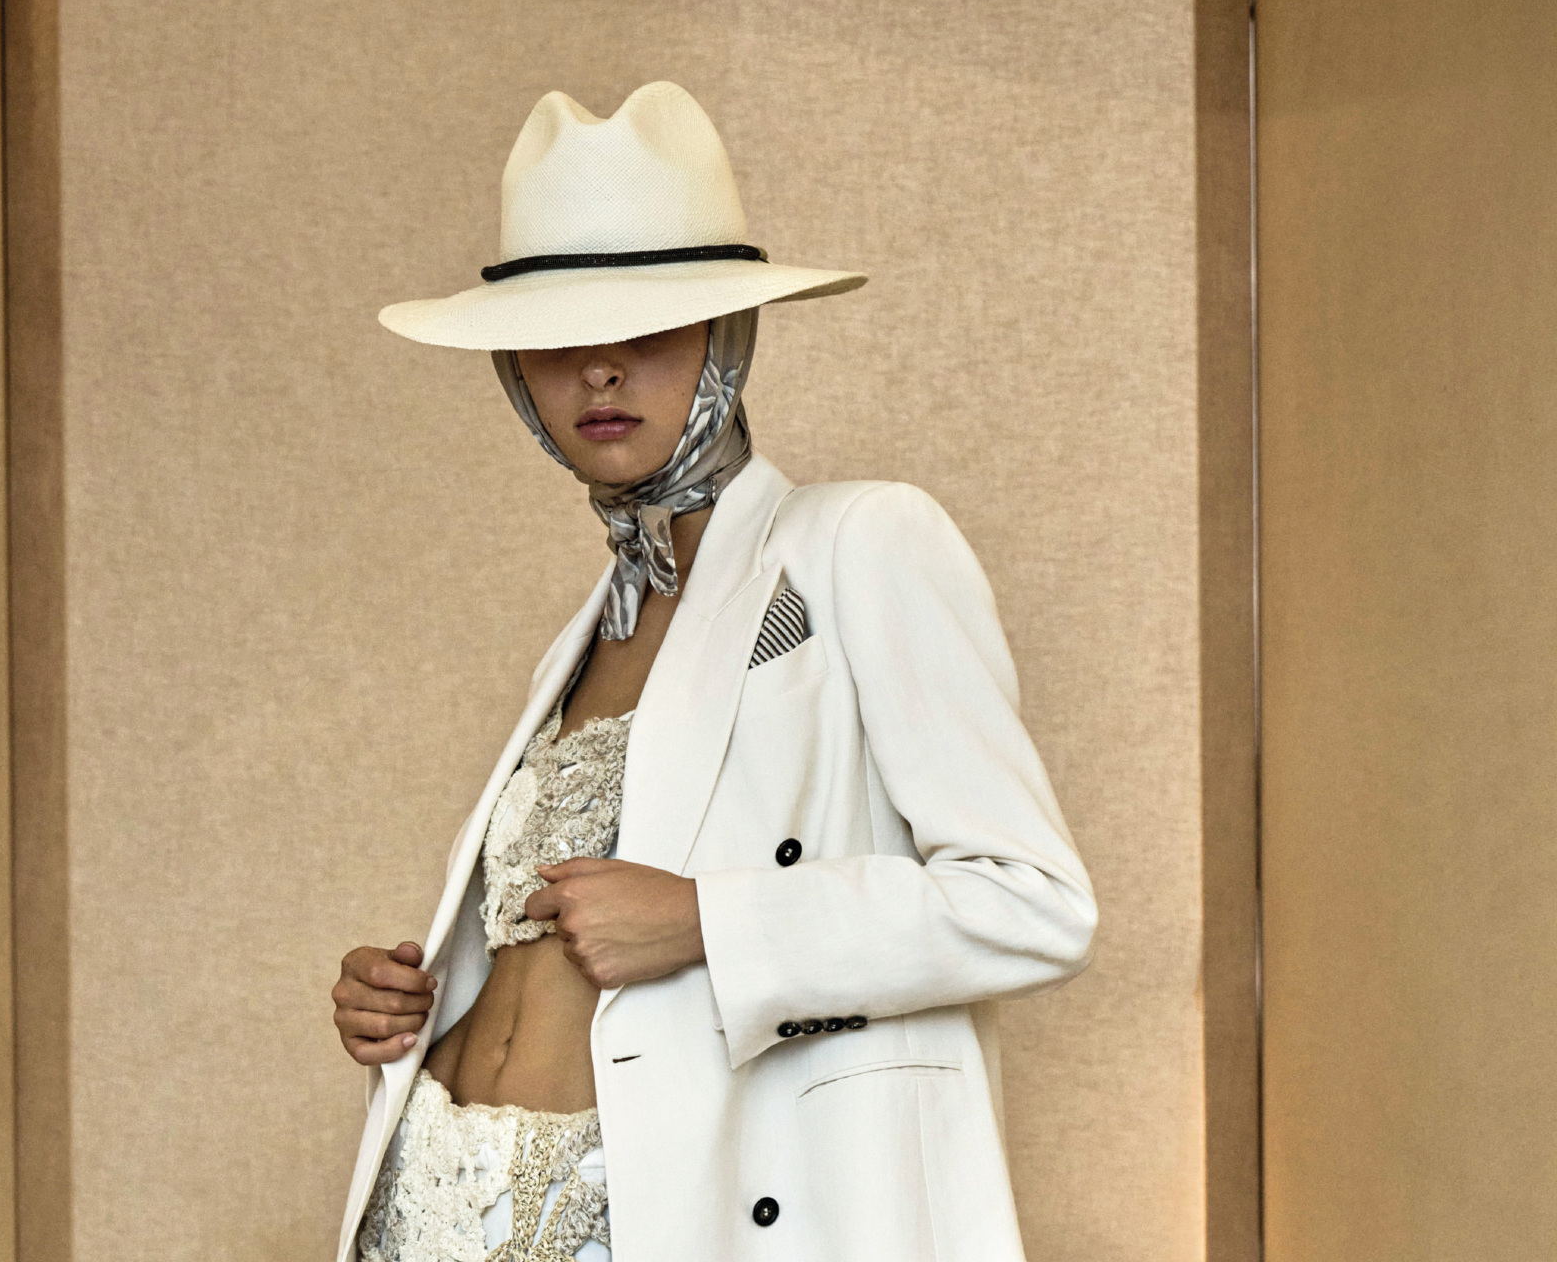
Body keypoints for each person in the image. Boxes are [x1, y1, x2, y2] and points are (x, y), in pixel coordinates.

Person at [330, 81, 1096, 1262]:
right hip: (441, 1203)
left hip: (659, 1212)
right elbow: (553, 953)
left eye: (649, 325)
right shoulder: (589, 625)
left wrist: (707, 921)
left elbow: (1031, 903)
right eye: (559, 338)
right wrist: (419, 1001)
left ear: (729, 335)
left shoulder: (860, 542)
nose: (598, 370)